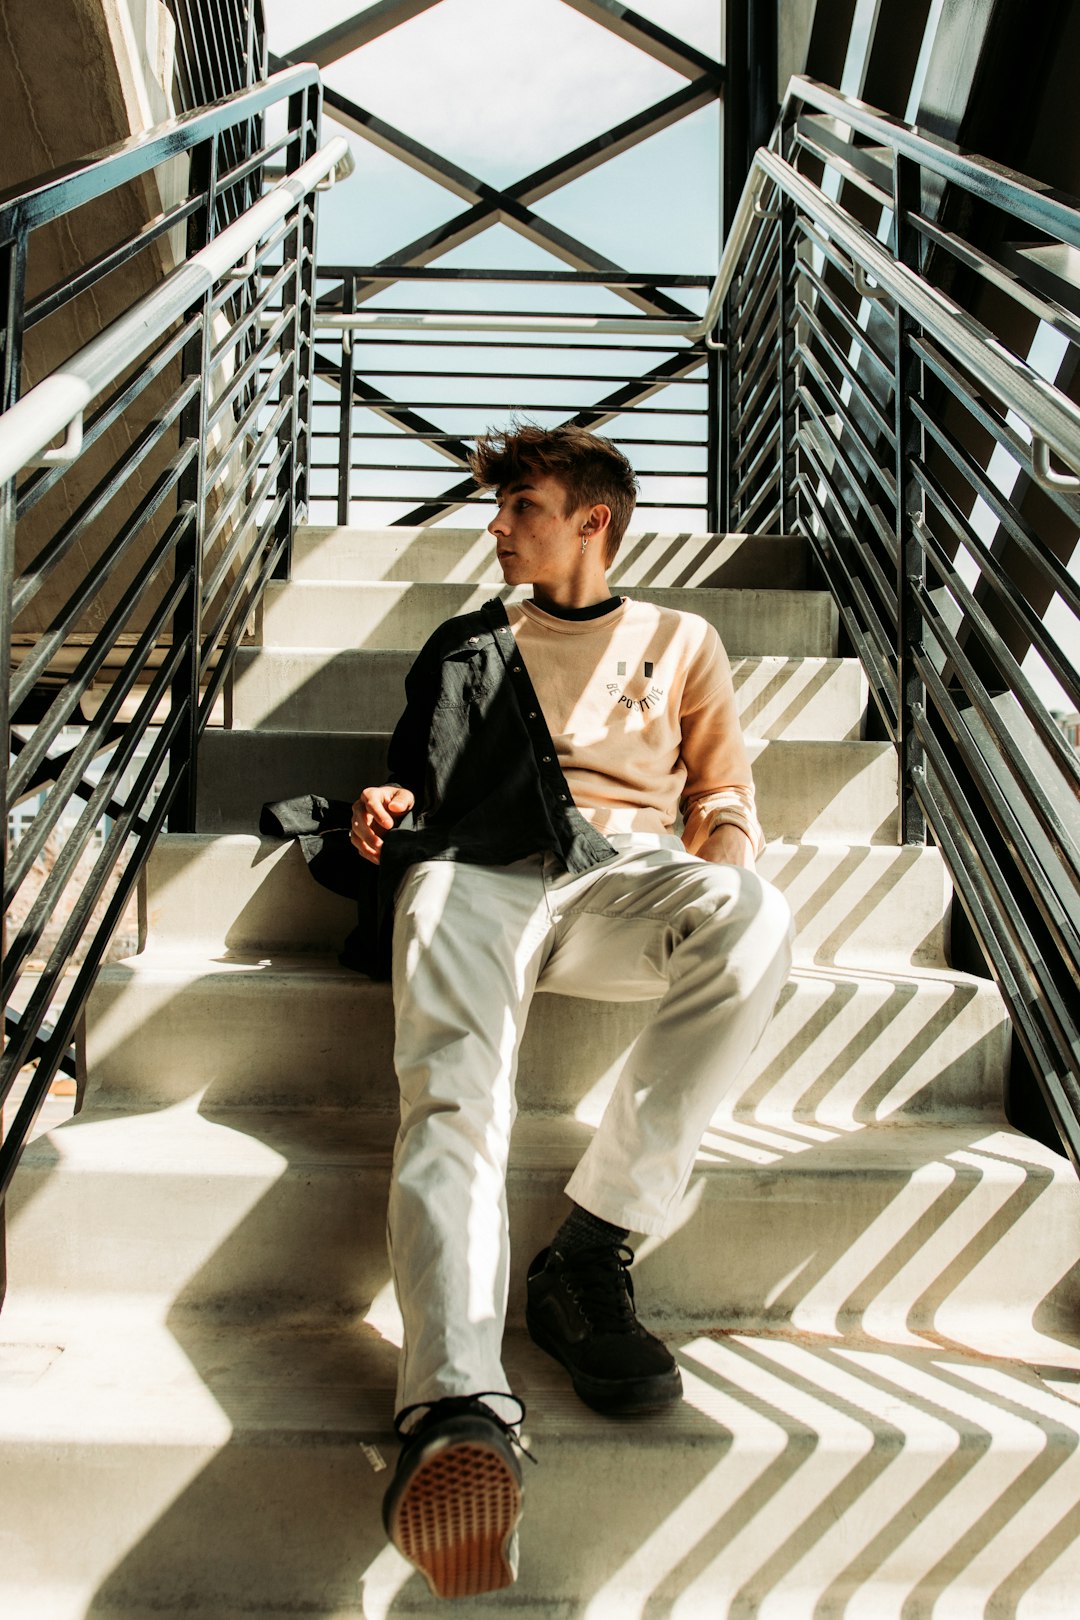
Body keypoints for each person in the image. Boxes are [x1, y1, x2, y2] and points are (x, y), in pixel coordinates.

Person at [350, 424, 793, 1600]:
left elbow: (723, 790)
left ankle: (589, 1249)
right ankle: (455, 1402)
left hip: (617, 881)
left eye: (522, 507)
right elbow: (417, 772)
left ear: (593, 519)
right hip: (481, 868)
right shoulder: (467, 640)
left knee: (759, 916)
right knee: (455, 1084)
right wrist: (384, 805)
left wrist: (729, 868)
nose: (496, 527)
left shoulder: (680, 639)